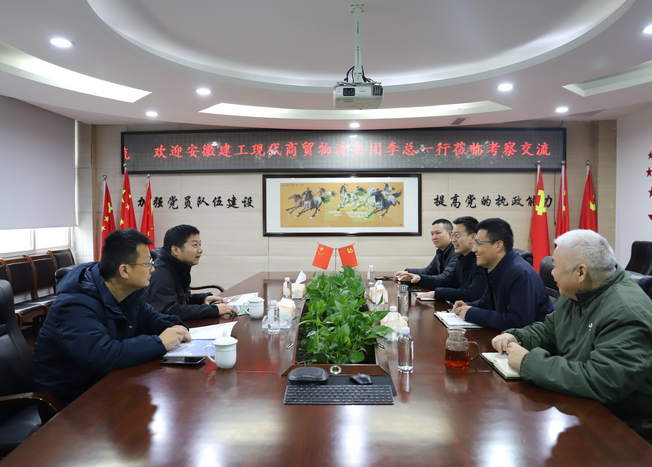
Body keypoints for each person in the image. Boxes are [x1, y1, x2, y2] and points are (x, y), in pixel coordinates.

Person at [492, 230, 652, 443]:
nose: (551, 273)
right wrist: (516, 337)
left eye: (556, 266)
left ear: (581, 272)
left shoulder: (625, 311)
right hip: (581, 410)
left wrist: (528, 362)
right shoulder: (578, 292)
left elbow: (603, 381)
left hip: (624, 431)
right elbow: (551, 330)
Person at [32, 229, 191, 406]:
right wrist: (160, 343)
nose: (153, 269)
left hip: (106, 387)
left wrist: (177, 327)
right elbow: (102, 355)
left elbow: (152, 319)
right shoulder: (73, 305)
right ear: (124, 270)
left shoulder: (128, 293)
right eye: (147, 263)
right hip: (70, 403)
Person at [452, 218, 553, 330]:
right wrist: (467, 306)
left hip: (530, 339)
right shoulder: (495, 268)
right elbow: (486, 303)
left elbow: (518, 322)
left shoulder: (521, 274)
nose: (473, 249)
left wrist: (471, 313)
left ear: (498, 246)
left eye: (478, 243)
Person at [144, 224, 236, 320]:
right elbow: (169, 310)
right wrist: (213, 310)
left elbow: (181, 299)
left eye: (200, 245)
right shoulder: (161, 274)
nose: (200, 250)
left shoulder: (179, 266)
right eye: (195, 245)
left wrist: (202, 299)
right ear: (175, 250)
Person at [397, 216, 486, 303]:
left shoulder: (481, 261)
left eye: (457, 235)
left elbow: (472, 294)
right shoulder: (461, 258)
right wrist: (419, 278)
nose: (453, 240)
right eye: (453, 236)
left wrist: (436, 293)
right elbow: (445, 281)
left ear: (473, 237)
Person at [393, 218, 458, 280]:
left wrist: (419, 279)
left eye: (437, 233)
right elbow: (428, 271)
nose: (434, 237)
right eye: (432, 234)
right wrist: (407, 272)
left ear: (450, 233)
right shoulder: (440, 251)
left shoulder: (456, 252)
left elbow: (445, 278)